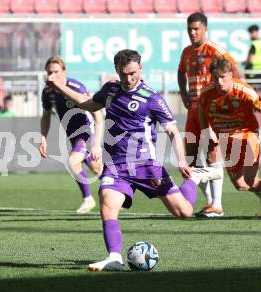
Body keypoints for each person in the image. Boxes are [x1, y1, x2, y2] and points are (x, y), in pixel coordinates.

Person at [46, 49, 221, 272]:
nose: (129, 79)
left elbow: (173, 133)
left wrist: (183, 162)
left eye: (133, 73)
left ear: (140, 69)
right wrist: (58, 86)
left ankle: (194, 179)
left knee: (184, 212)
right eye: (123, 74)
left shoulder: (152, 98)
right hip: (116, 165)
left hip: (146, 166)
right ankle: (115, 257)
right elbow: (88, 104)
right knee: (107, 204)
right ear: (117, 71)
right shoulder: (110, 89)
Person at [200, 59, 261, 219]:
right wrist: (207, 133)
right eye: (215, 78)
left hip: (247, 134)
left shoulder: (245, 92)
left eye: (223, 77)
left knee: (250, 179)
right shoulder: (206, 93)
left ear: (230, 75)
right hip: (226, 138)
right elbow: (202, 113)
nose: (219, 82)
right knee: (241, 185)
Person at [177, 12, 243, 217]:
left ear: (205, 29)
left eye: (196, 29)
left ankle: (217, 204)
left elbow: (236, 72)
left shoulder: (215, 50)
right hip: (193, 110)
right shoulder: (187, 52)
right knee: (190, 156)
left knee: (211, 153)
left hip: (210, 109)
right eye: (190, 29)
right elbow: (180, 73)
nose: (193, 32)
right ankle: (208, 202)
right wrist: (184, 93)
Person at [39, 56, 103, 214]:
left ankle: (88, 199)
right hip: (73, 135)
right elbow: (46, 115)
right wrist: (43, 138)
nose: (52, 75)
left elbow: (95, 110)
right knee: (96, 167)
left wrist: (96, 140)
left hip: (87, 131)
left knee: (72, 161)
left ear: (64, 72)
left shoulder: (75, 86)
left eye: (56, 72)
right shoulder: (47, 92)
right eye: (49, 72)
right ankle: (117, 189)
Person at [242, 24, 261, 95]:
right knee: (259, 90)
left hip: (252, 73)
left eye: (251, 33)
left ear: (256, 32)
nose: (250, 35)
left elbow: (251, 60)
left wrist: (245, 63)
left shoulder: (254, 45)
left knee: (251, 93)